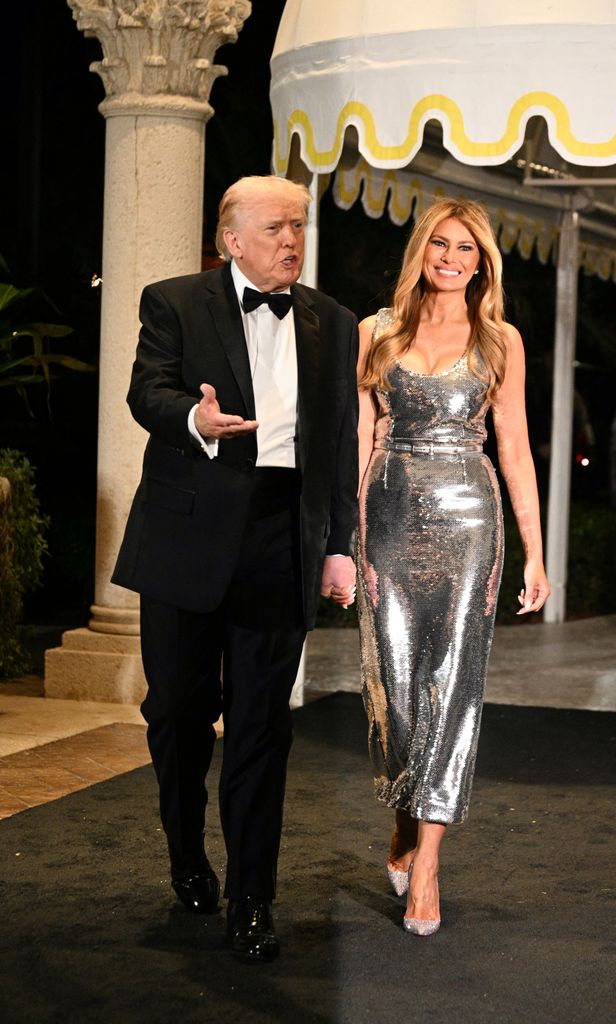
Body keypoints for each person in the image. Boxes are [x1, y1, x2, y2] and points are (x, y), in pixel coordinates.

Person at [112, 175, 358, 962]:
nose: (292, 240)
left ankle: (254, 899)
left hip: (281, 541)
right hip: (187, 540)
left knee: (261, 729)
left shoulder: (336, 323)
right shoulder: (174, 301)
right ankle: (187, 852)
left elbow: (340, 444)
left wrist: (340, 545)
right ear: (232, 239)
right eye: (277, 227)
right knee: (179, 715)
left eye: (300, 226)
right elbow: (146, 392)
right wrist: (196, 418)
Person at [355, 198, 550, 936]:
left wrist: (534, 551)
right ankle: (408, 817)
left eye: (467, 249)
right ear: (422, 250)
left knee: (454, 687)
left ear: (482, 263)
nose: (452, 257)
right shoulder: (377, 331)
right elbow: (362, 437)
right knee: (400, 689)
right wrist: (352, 537)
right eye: (441, 243)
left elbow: (516, 447)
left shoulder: (500, 340)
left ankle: (428, 864)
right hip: (391, 518)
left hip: (472, 520)